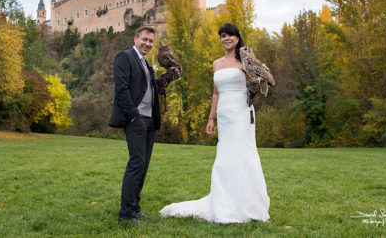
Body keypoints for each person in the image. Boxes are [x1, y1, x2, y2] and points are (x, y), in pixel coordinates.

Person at [159, 23, 270, 224]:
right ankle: (225, 201)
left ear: (237, 38)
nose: (226, 39)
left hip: (242, 113)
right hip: (225, 115)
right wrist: (211, 119)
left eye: (230, 35)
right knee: (225, 157)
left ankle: (248, 204)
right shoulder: (216, 64)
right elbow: (216, 93)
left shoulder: (245, 61)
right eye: (223, 36)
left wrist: (256, 86)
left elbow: (257, 81)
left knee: (244, 155)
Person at [109, 26, 161, 223]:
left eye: (151, 41)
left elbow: (149, 89)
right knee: (136, 163)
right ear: (136, 38)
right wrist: (134, 116)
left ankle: (135, 208)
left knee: (143, 166)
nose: (147, 44)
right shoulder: (125, 57)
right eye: (145, 39)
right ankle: (126, 214)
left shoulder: (147, 65)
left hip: (150, 121)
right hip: (136, 119)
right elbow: (121, 90)